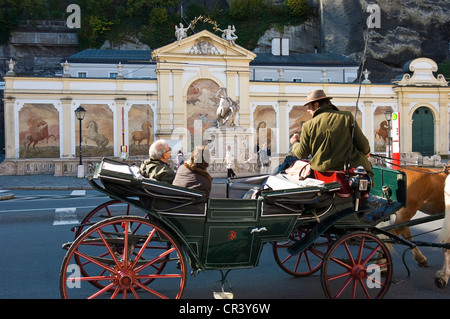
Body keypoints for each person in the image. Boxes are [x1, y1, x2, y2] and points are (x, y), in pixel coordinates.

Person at [290, 89, 373, 177]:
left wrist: (295, 142)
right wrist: (366, 152)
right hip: (352, 173)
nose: (308, 110)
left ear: (316, 104)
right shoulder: (347, 116)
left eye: (309, 107)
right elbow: (364, 146)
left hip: (325, 176)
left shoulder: (308, 126)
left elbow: (302, 154)